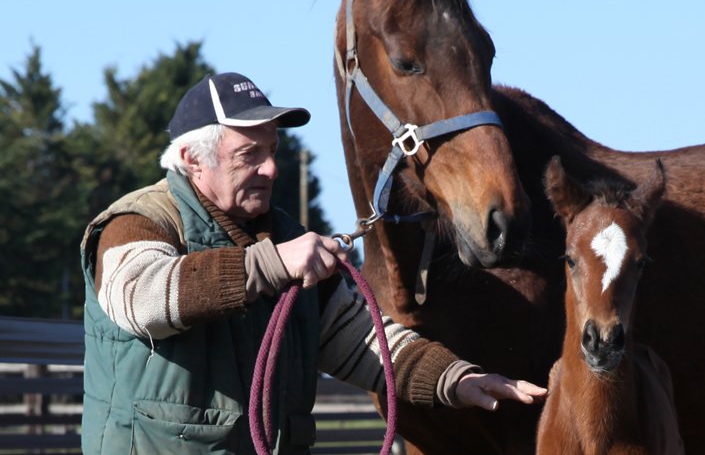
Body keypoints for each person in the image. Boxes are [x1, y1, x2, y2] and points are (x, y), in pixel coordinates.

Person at [79, 72, 547, 454]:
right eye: (249, 155)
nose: (271, 169)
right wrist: (270, 264)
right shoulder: (139, 220)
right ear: (191, 160)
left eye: (272, 151)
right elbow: (140, 300)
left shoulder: (283, 236)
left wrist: (455, 379)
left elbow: (359, 338)